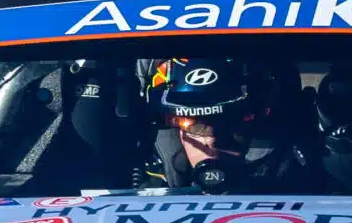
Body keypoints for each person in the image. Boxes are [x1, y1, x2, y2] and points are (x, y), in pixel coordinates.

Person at [138, 58, 322, 193]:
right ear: (176, 130)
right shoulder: (136, 196)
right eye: (195, 125)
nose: (212, 139)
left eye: (227, 125)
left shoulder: (313, 189)